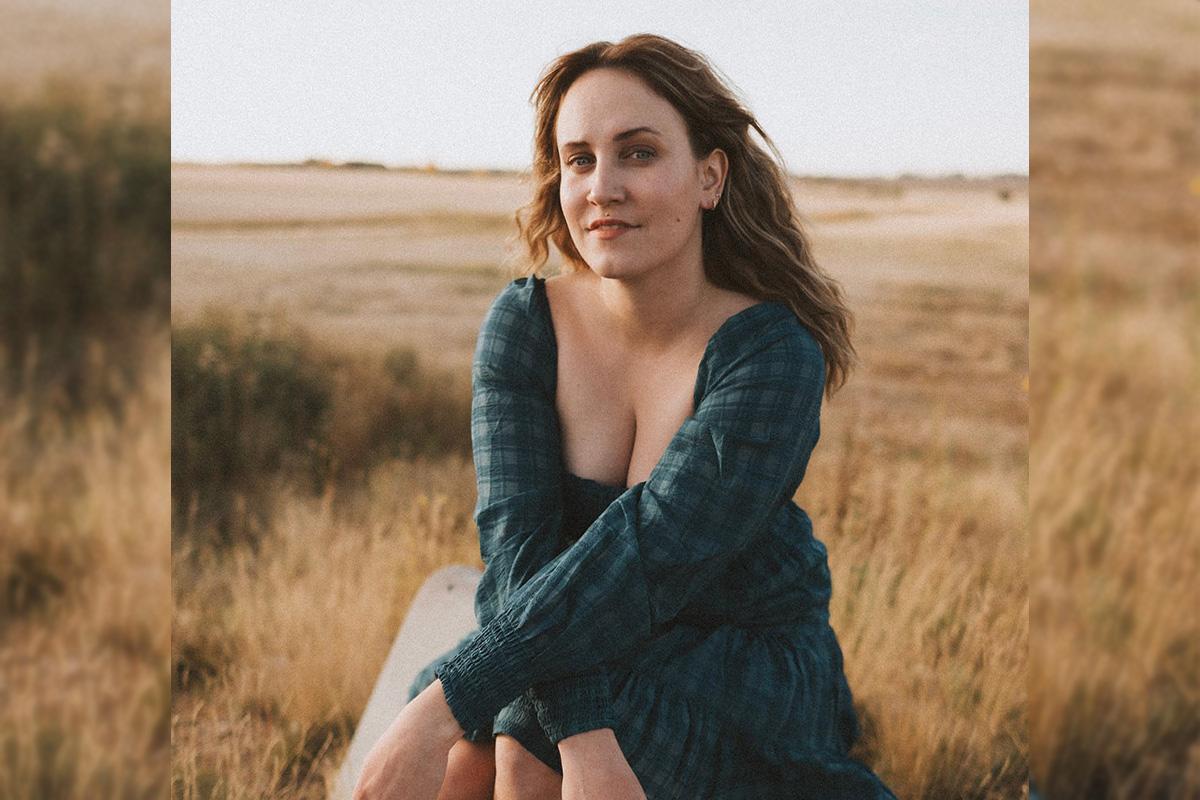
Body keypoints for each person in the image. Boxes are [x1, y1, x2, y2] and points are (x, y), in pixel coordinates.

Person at [354, 33, 897, 800]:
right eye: (579, 159)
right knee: (464, 762)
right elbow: (518, 551)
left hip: (733, 652)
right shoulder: (526, 325)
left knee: (514, 750)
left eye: (637, 153)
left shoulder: (771, 356)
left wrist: (452, 704)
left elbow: (643, 562)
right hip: (558, 623)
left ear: (710, 176)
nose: (601, 186)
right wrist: (581, 733)